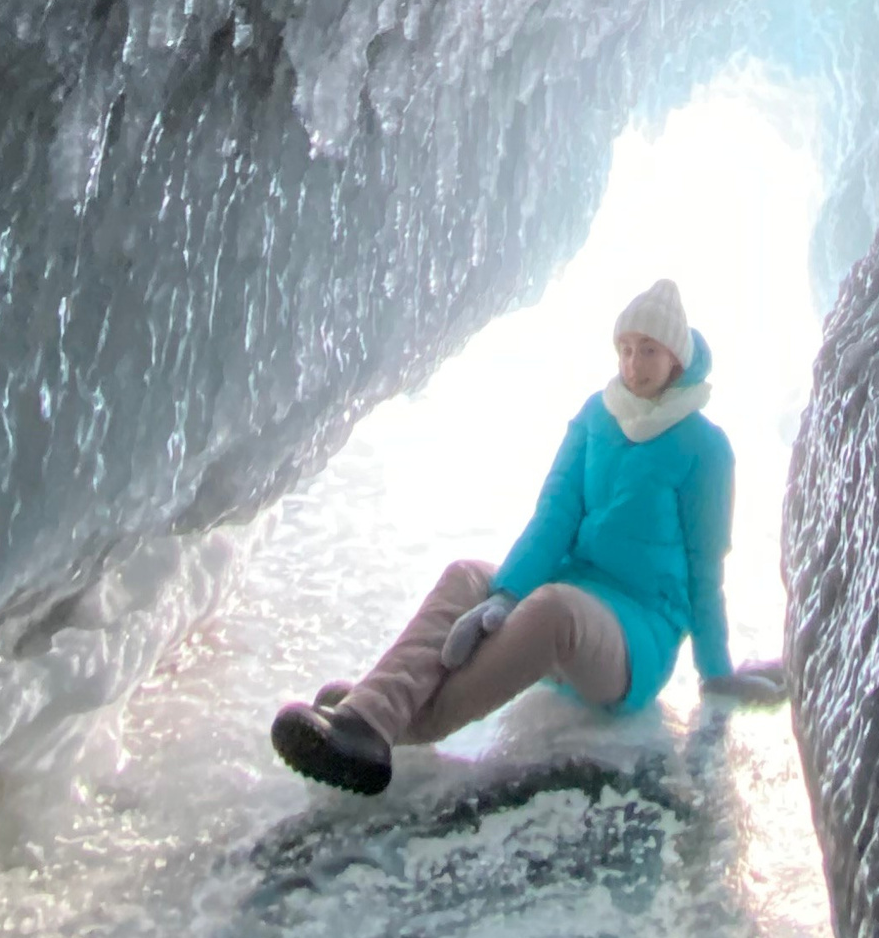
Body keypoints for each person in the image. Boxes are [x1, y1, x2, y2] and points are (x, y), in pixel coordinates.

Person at [269, 277, 785, 794]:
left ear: (675, 356)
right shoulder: (597, 416)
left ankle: (383, 726)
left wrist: (717, 671)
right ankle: (369, 714)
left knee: (552, 609)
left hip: (635, 637)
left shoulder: (705, 447)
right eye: (625, 350)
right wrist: (505, 596)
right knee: (468, 576)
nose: (632, 364)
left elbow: (705, 566)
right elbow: (554, 516)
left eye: (648, 351)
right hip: (571, 588)